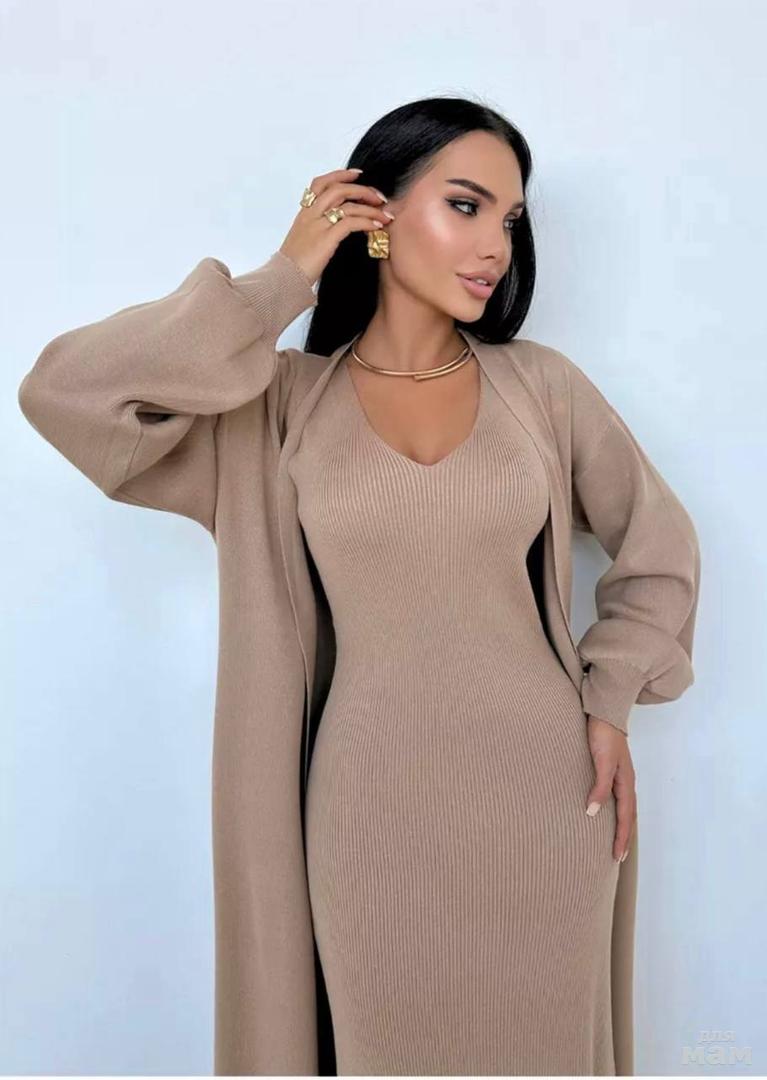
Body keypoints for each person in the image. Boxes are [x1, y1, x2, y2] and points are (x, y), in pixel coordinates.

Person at [17, 97, 700, 1076]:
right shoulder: (277, 409)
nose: (495, 245)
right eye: (464, 205)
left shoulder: (541, 389)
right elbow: (68, 395)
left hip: (548, 805)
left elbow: (659, 549)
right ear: (373, 215)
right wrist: (280, 281)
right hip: (365, 817)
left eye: (509, 219)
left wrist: (608, 699)